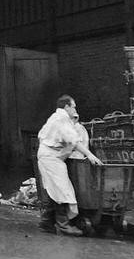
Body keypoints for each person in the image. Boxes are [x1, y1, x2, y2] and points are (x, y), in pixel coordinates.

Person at [36, 93, 102, 236]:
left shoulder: (58, 118)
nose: (75, 110)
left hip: (52, 157)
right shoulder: (61, 119)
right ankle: (64, 226)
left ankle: (46, 222)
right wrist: (90, 155)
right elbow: (73, 141)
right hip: (51, 157)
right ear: (66, 106)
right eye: (73, 107)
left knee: (55, 189)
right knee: (62, 189)